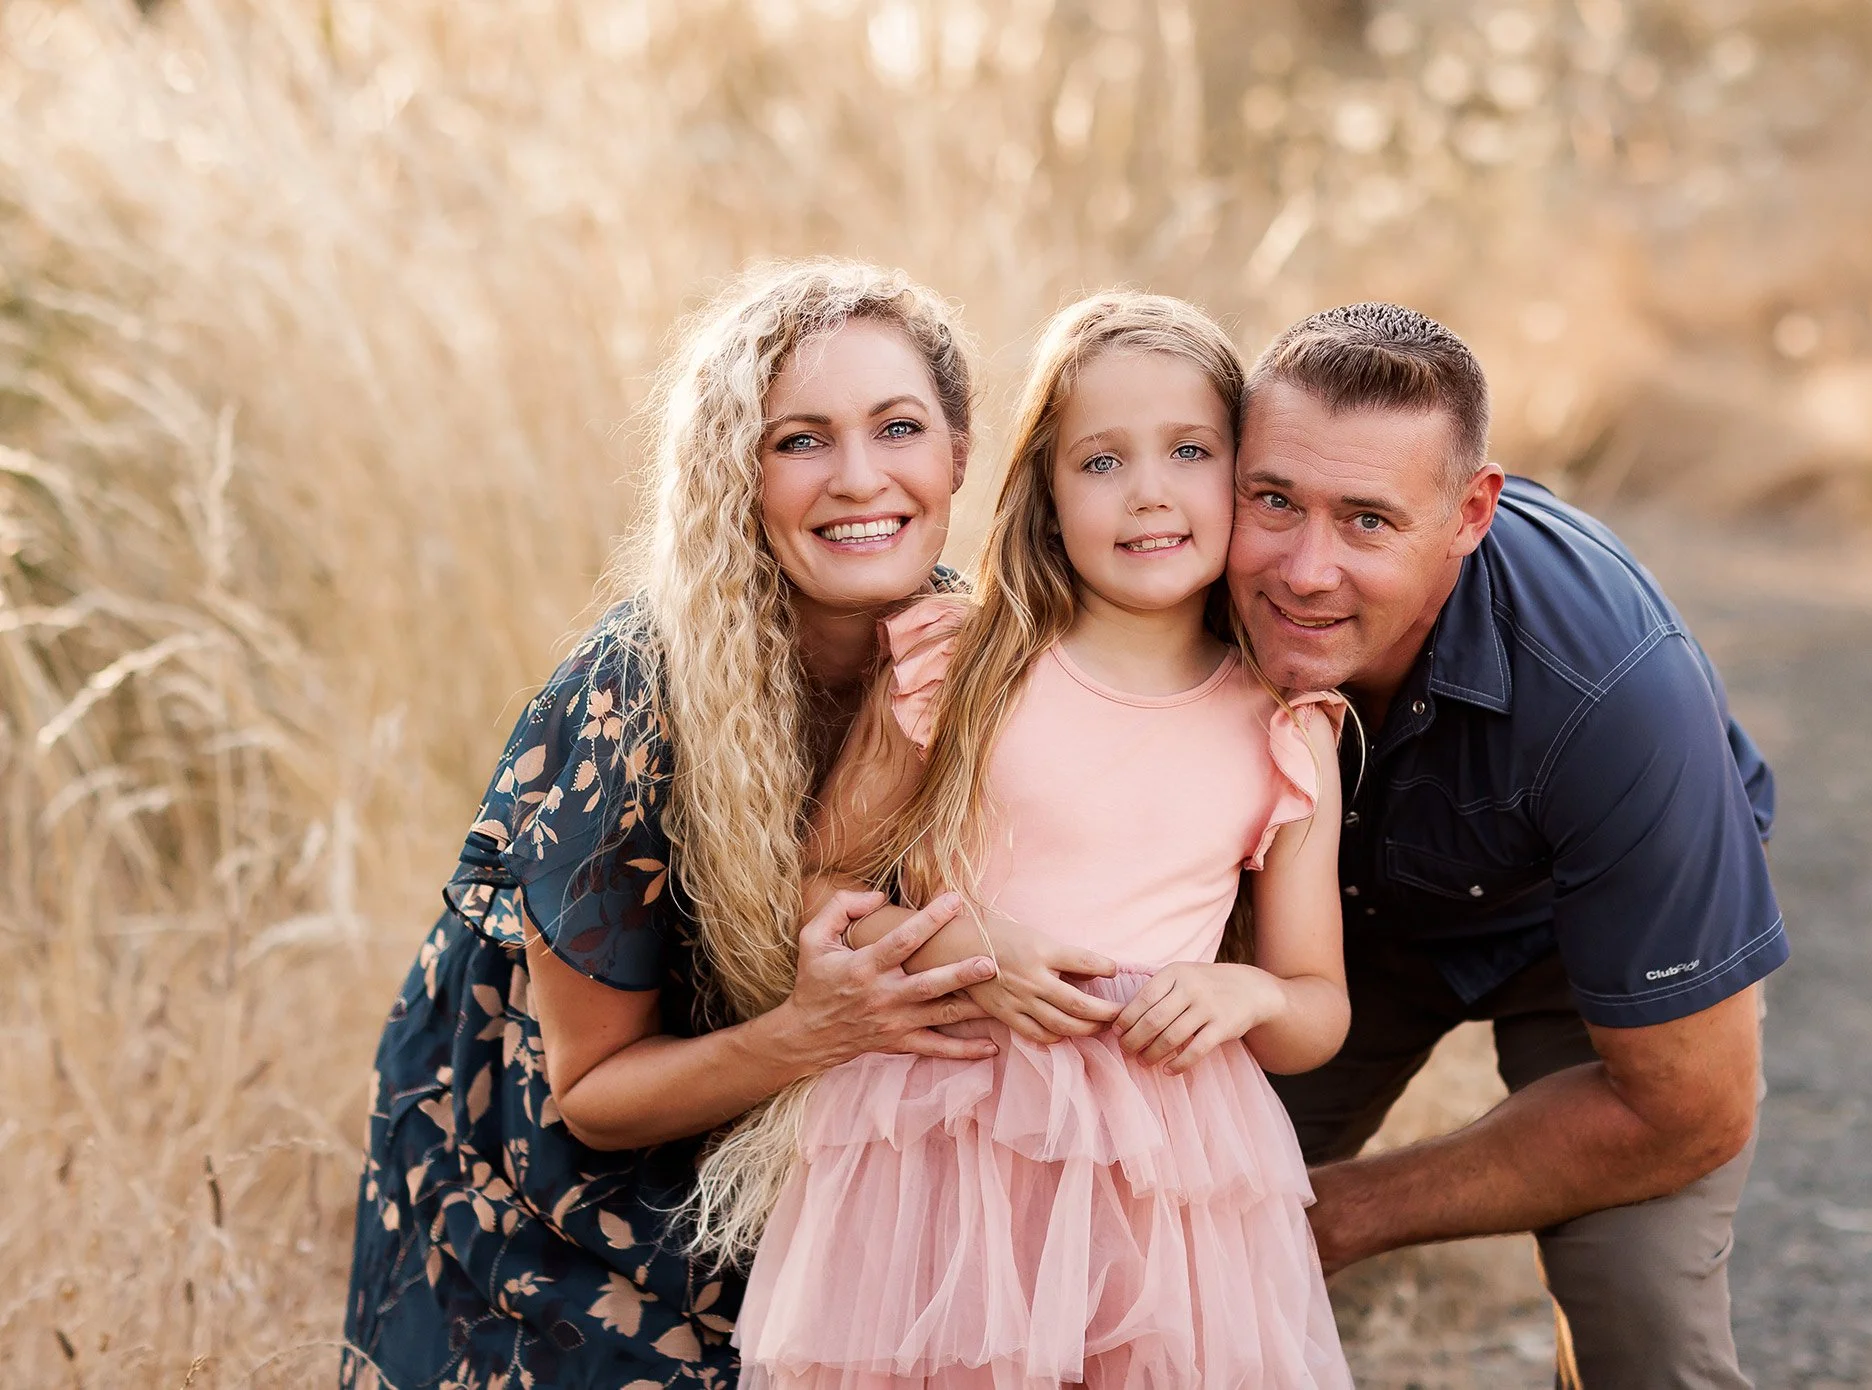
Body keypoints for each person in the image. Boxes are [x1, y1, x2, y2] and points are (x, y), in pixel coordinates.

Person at [340, 261, 1011, 1389]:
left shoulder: (981, 652)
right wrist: (811, 1031)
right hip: (548, 1197)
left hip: (801, 1166)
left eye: (898, 428)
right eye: (798, 440)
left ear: (956, 451)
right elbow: (592, 1097)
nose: (859, 480)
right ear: (735, 475)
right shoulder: (632, 696)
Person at [719, 293, 1356, 1387]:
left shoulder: (1286, 729)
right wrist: (956, 935)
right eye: (1099, 462)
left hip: (1167, 1167)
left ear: (1244, 483)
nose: (1148, 491)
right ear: (1044, 492)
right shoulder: (957, 662)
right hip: (943, 1133)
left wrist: (1247, 995)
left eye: (1190, 451)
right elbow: (820, 882)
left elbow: (1315, 1006)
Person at [1229, 302, 1786, 1389]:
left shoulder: (1618, 693)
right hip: (1319, 937)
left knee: (1643, 1327)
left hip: (1574, 942)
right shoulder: (1179, 562)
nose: (1301, 570)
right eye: (1274, 500)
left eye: (1367, 522)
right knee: (1150, 1226)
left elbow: (1689, 1110)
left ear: (1470, 511)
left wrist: (1342, 1214)